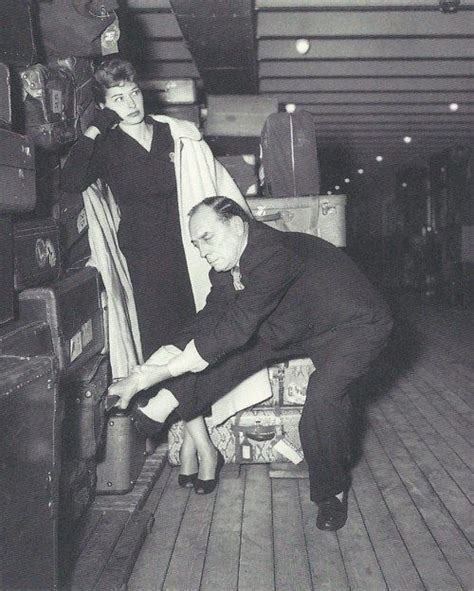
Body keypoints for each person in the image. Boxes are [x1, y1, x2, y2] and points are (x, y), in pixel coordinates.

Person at [109, 196, 393, 531]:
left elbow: (237, 327)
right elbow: (208, 322)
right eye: (196, 243)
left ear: (237, 224)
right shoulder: (228, 265)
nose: (202, 251)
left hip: (354, 327)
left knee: (323, 400)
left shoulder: (272, 252)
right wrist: (141, 373)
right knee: (221, 354)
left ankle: (331, 495)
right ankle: (155, 412)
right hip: (299, 322)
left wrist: (152, 377)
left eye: (207, 238)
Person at [60, 58, 253, 493]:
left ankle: (190, 445)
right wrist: (97, 125)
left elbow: (207, 185)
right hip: (145, 263)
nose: (129, 104)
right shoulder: (106, 145)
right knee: (165, 353)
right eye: (116, 99)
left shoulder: (173, 134)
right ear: (104, 105)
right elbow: (71, 180)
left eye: (133, 93)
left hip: (189, 257)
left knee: (194, 347)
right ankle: (202, 447)